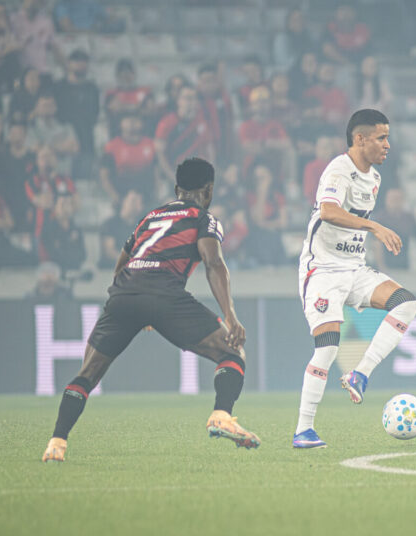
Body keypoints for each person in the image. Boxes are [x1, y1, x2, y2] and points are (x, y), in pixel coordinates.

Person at [41, 157, 260, 462]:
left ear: (176, 189)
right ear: (209, 190)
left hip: (123, 295)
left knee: (87, 374)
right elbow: (213, 263)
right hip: (164, 295)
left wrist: (129, 303)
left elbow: (121, 263)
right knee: (232, 352)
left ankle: (56, 442)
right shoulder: (204, 219)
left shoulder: (151, 216)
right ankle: (221, 415)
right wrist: (231, 316)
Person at [292, 109, 416, 449]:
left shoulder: (374, 178)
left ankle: (360, 374)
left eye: (388, 137)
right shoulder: (338, 169)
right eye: (381, 138)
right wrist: (374, 226)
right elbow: (329, 211)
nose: (387, 145)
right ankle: (304, 429)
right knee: (328, 346)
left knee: (407, 304)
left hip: (354, 268)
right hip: (322, 270)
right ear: (359, 139)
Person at [155, 86, 215, 186]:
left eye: (194, 98)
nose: (191, 102)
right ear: (178, 101)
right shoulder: (166, 123)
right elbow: (160, 155)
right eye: (187, 98)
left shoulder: (203, 122)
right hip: (174, 177)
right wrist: (173, 178)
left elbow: (210, 150)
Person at [372, 187, 416, 273]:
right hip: (384, 267)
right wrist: (381, 266)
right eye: (392, 199)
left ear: (403, 200)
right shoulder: (379, 218)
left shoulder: (409, 218)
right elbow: (377, 244)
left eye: (397, 199)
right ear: (386, 200)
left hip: (403, 265)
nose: (394, 202)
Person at [53, 49, 100, 166]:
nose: (81, 65)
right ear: (69, 64)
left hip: (87, 138)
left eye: (84, 62)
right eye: (77, 61)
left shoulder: (92, 88)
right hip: (64, 138)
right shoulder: (58, 88)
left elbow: (95, 112)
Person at [101, 113, 156, 208]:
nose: (132, 122)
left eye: (136, 119)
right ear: (120, 124)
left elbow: (155, 172)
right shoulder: (112, 147)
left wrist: (155, 194)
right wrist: (116, 198)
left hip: (146, 194)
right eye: (128, 119)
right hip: (121, 194)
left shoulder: (149, 144)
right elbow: (104, 176)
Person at [0, 117, 35, 231]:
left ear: (25, 135)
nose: (17, 136)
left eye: (20, 133)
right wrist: (2, 207)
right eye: (14, 133)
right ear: (9, 134)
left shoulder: (32, 157)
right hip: (5, 205)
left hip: (26, 205)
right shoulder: (0, 156)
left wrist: (31, 206)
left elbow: (34, 184)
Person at [11, 0, 64, 73]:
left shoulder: (46, 22)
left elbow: (55, 47)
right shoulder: (13, 20)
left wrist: (68, 69)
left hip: (42, 72)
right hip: (22, 73)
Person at [98, 189, 142, 269]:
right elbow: (109, 252)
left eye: (139, 201)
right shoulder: (110, 224)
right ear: (123, 202)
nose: (137, 205)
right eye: (133, 201)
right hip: (110, 271)